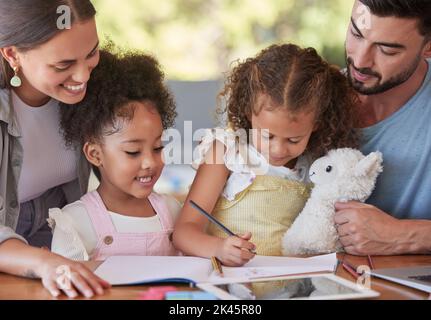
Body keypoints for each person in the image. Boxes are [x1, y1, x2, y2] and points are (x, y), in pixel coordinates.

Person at [173, 43, 359, 266]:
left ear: (317, 123)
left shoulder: (317, 165)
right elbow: (184, 232)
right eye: (267, 136)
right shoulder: (228, 152)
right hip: (231, 288)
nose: (279, 150)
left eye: (294, 140)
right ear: (248, 112)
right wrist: (220, 248)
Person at [0, 0, 110, 298]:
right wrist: (46, 263)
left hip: (59, 230)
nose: (84, 76)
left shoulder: (97, 90)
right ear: (12, 54)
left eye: (91, 54)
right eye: (63, 65)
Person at [49, 48, 180, 261]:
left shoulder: (173, 211)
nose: (149, 162)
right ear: (95, 154)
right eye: (133, 152)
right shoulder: (75, 221)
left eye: (157, 148)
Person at [334, 0, 431, 256]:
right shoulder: (311, 100)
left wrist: (403, 236)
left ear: (429, 47)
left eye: (387, 50)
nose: (360, 60)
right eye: (356, 33)